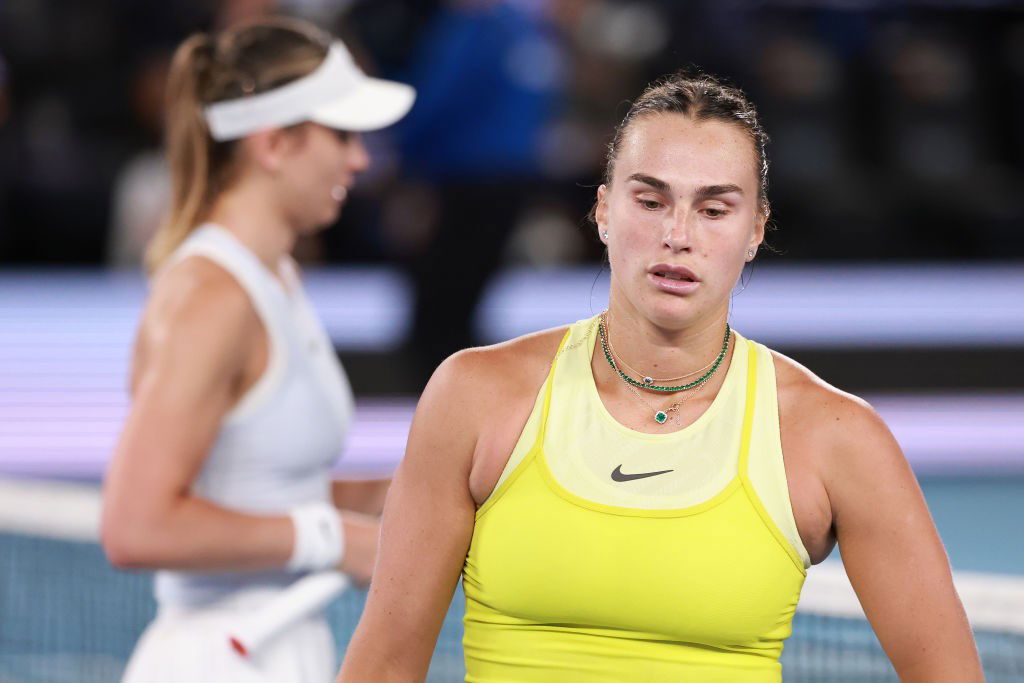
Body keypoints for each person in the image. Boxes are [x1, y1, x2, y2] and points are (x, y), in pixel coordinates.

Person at [337, 72, 982, 681]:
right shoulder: (473, 396)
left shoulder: (836, 436)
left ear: (756, 229)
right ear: (602, 210)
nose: (677, 235)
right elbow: (384, 667)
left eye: (714, 209)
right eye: (650, 200)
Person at [100, 16, 414, 682]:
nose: (359, 159)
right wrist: (335, 539)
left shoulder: (274, 278)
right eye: (341, 135)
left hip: (269, 654)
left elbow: (260, 486)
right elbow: (135, 525)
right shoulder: (213, 298)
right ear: (274, 144)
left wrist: (402, 496)